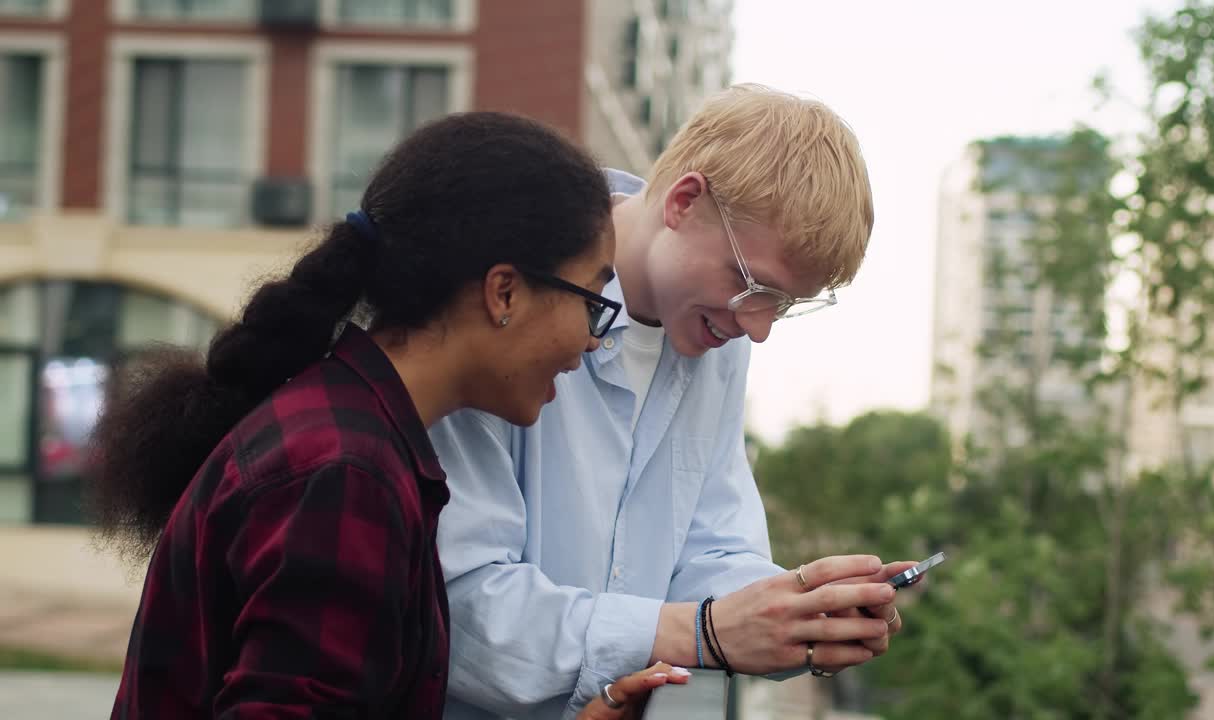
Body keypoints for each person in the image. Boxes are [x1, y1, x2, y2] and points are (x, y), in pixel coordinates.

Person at [87, 112, 685, 719]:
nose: (591, 343)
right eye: (592, 301)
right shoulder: (346, 474)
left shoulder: (352, 437)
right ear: (503, 292)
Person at [431, 85, 907, 719]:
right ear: (685, 201)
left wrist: (801, 613)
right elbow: (456, 603)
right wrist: (702, 634)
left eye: (784, 304)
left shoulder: (717, 330)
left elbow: (709, 549)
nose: (759, 327)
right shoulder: (515, 289)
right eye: (753, 285)